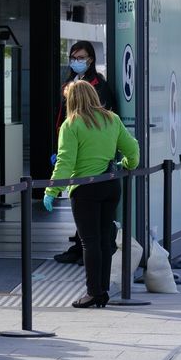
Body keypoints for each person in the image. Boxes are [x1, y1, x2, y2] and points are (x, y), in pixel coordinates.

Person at [43, 80, 139, 308]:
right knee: (106, 239)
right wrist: (127, 163)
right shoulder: (111, 119)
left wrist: (51, 191)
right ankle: (103, 290)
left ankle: (93, 292)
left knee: (90, 242)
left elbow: (65, 163)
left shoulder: (71, 124)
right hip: (110, 185)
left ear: (73, 99)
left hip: (85, 190)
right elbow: (132, 148)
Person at [53, 40, 116, 265]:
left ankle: (90, 251)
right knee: (78, 203)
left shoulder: (99, 84)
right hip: (71, 147)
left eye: (81, 57)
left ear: (90, 59)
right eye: (74, 57)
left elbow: (105, 119)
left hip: (90, 156)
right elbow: (62, 116)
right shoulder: (69, 82)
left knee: (90, 207)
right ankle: (80, 247)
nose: (77, 61)